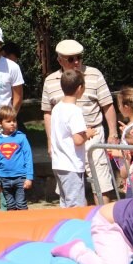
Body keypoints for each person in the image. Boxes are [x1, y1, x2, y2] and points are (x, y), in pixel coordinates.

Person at [42, 39, 118, 204]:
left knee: (101, 183)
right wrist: (50, 140)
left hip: (93, 134)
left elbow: (107, 105)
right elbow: (47, 113)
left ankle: (101, 220)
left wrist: (113, 133)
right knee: (69, 188)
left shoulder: (94, 74)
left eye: (79, 57)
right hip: (67, 142)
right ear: (59, 60)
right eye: (70, 59)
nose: (76, 62)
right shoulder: (50, 81)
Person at [50, 69, 96, 207]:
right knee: (75, 205)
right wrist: (88, 133)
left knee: (65, 203)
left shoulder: (57, 108)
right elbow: (78, 140)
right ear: (80, 88)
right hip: (71, 164)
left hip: (59, 163)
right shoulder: (74, 111)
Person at [0, 105, 33, 210]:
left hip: (20, 178)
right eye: (8, 121)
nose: (12, 123)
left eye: (14, 120)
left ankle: (25, 225)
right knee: (10, 206)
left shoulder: (21, 138)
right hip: (4, 179)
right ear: (0, 123)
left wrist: (29, 177)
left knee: (21, 204)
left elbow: (28, 157)